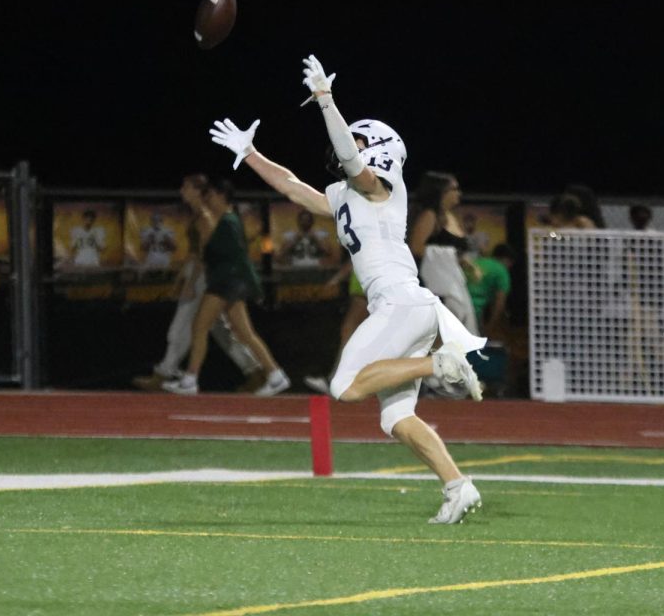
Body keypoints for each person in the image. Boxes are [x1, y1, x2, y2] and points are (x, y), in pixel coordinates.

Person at [208, 54, 487, 524]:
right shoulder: (342, 197)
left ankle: (440, 362)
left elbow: (354, 161)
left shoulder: (382, 185)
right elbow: (294, 187)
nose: (347, 148)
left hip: (400, 303)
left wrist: (325, 101)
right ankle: (458, 487)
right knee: (395, 418)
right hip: (407, 307)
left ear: (376, 148)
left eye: (358, 140)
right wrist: (250, 154)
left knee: (343, 385)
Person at [133, 174, 270, 393]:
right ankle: (254, 372)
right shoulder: (200, 215)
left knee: (183, 325)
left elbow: (205, 255)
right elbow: (195, 252)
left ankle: (165, 374)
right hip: (203, 274)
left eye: (186, 187)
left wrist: (191, 282)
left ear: (199, 191)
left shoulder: (206, 216)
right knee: (220, 330)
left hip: (206, 277)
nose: (181, 191)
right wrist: (181, 278)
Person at [162, 178, 290, 396]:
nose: (208, 199)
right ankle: (276, 375)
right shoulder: (226, 219)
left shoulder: (227, 221)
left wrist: (251, 285)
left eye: (210, 195)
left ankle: (190, 380)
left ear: (221, 196)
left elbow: (232, 256)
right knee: (245, 333)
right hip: (230, 281)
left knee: (200, 326)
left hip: (227, 282)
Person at [409, 171, 481, 333]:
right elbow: (416, 248)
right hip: (436, 289)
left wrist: (469, 265)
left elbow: (456, 252)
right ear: (441, 192)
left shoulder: (451, 216)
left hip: (454, 283)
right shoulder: (430, 216)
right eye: (454, 189)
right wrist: (445, 257)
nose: (458, 193)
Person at [304, 261, 368, 395]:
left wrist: (337, 278)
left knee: (350, 330)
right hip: (366, 279)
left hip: (368, 280)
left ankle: (337, 380)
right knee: (358, 332)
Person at [467, 243, 515, 338]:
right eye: (510, 263)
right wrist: (490, 326)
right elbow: (500, 303)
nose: (509, 267)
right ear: (506, 259)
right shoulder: (501, 271)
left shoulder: (476, 262)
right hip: (475, 311)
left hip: (455, 306)